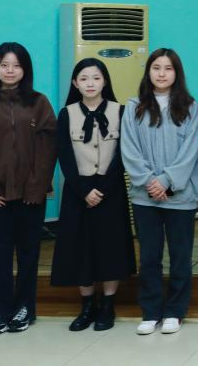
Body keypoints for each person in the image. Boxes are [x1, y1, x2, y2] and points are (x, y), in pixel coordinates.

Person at [0, 42, 57, 335]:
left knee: (29, 254)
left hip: (31, 196)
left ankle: (25, 307)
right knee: (0, 256)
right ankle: (0, 309)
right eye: (4, 65)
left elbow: (48, 148)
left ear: (25, 69)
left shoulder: (39, 103)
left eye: (16, 65)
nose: (10, 70)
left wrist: (36, 188)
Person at [122, 48, 198, 335]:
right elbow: (129, 149)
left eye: (168, 68)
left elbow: (191, 150)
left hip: (180, 197)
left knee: (180, 257)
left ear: (177, 73)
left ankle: (175, 312)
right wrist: (149, 181)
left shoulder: (191, 107)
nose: (161, 73)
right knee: (149, 256)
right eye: (156, 67)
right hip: (145, 197)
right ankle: (151, 311)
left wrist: (167, 180)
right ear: (148, 72)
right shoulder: (133, 107)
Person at [51, 58, 136, 332]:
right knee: (80, 248)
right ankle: (87, 305)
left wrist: (105, 188)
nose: (90, 83)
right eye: (84, 78)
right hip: (78, 191)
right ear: (75, 83)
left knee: (110, 247)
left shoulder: (120, 111)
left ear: (105, 81)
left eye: (96, 78)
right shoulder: (66, 113)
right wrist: (83, 190)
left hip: (111, 189)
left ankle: (108, 305)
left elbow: (124, 153)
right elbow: (64, 155)